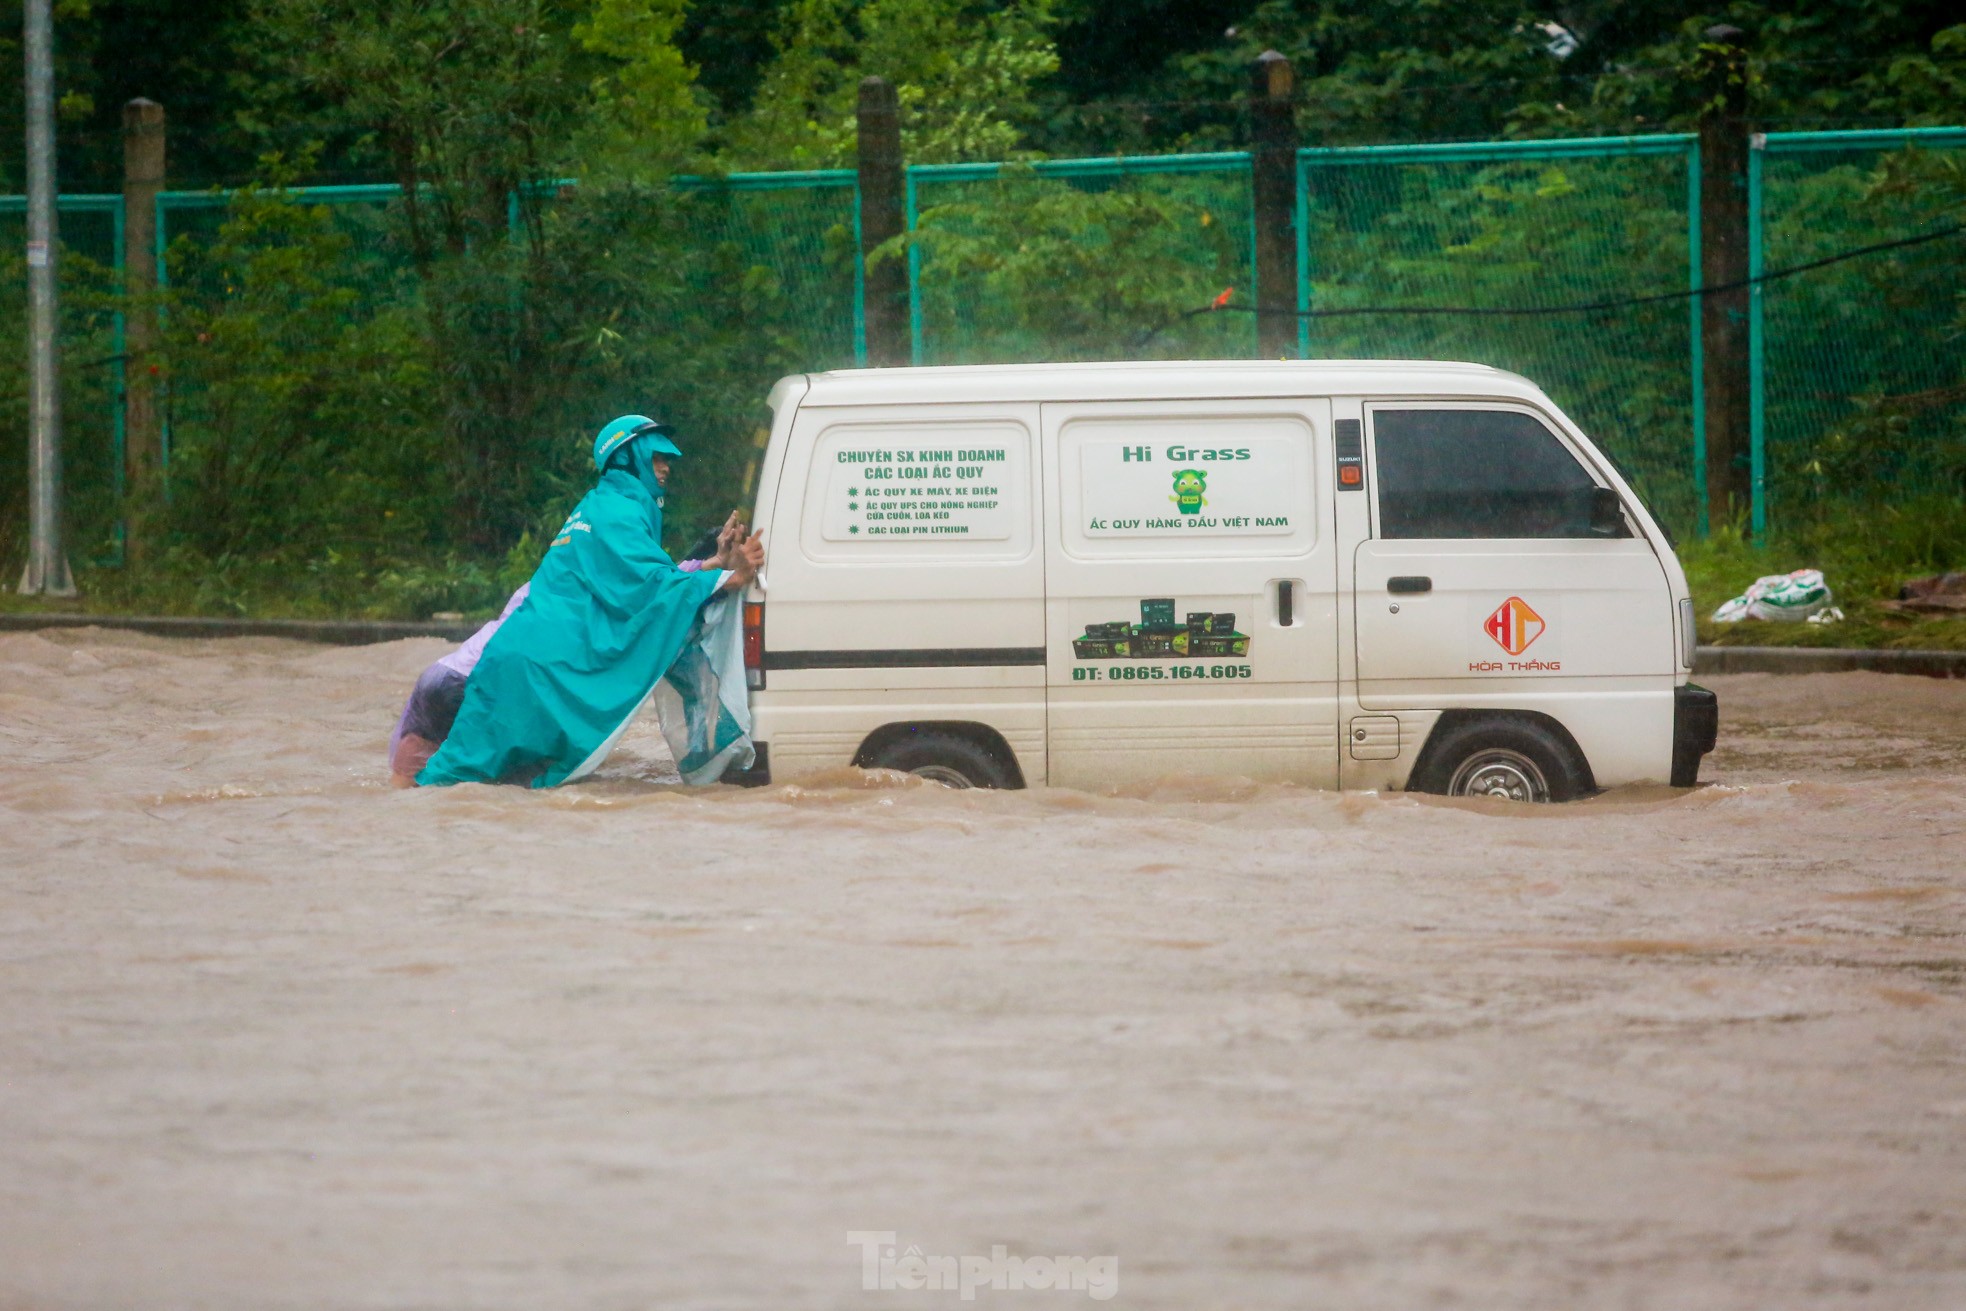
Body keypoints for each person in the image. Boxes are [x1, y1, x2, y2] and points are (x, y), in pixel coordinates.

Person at [415, 414, 762, 788]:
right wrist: (731, 578)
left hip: (517, 662)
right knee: (482, 783)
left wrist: (715, 567)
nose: (666, 469)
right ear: (628, 458)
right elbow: (651, 589)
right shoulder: (618, 512)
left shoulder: (597, 506)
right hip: (541, 671)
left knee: (458, 783)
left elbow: (634, 583)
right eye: (657, 459)